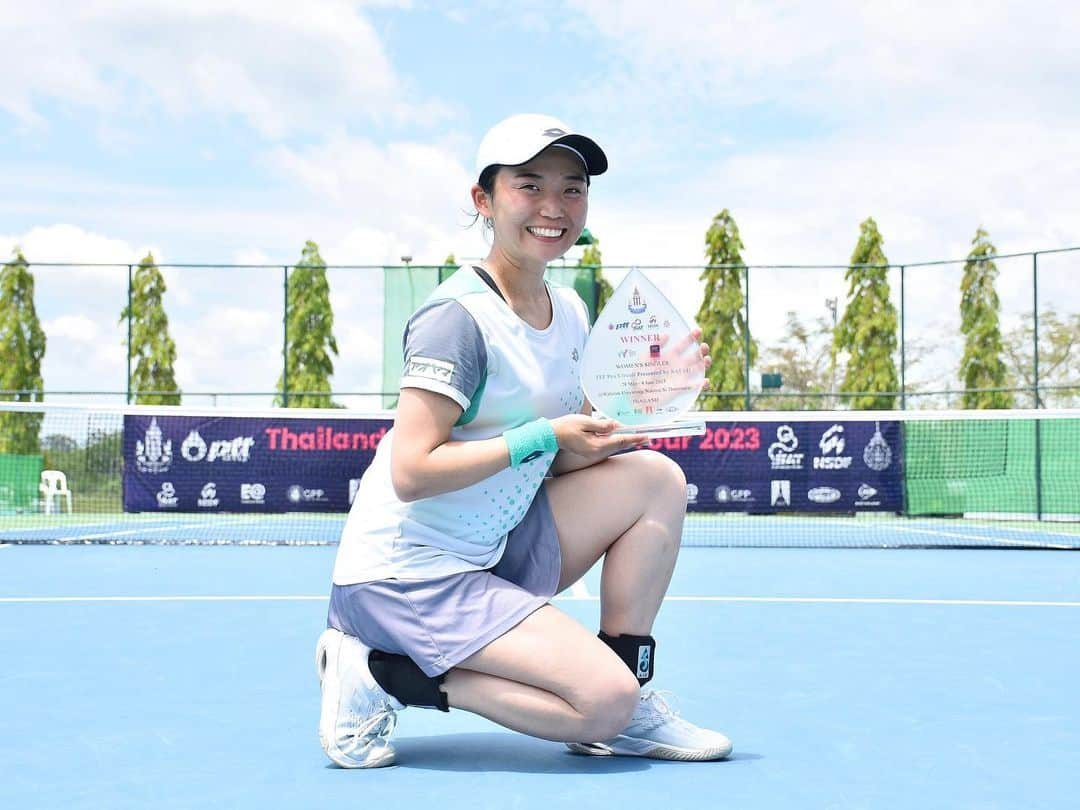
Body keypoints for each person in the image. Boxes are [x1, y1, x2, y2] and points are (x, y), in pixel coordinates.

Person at [316, 113, 733, 768]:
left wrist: (637, 410)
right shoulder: (456, 320)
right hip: (408, 576)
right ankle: (381, 672)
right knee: (600, 702)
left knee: (656, 480)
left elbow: (561, 457)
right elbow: (412, 470)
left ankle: (633, 692)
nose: (553, 206)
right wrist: (542, 435)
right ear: (484, 201)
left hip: (495, 545)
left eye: (572, 188)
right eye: (529, 186)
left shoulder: (570, 311)